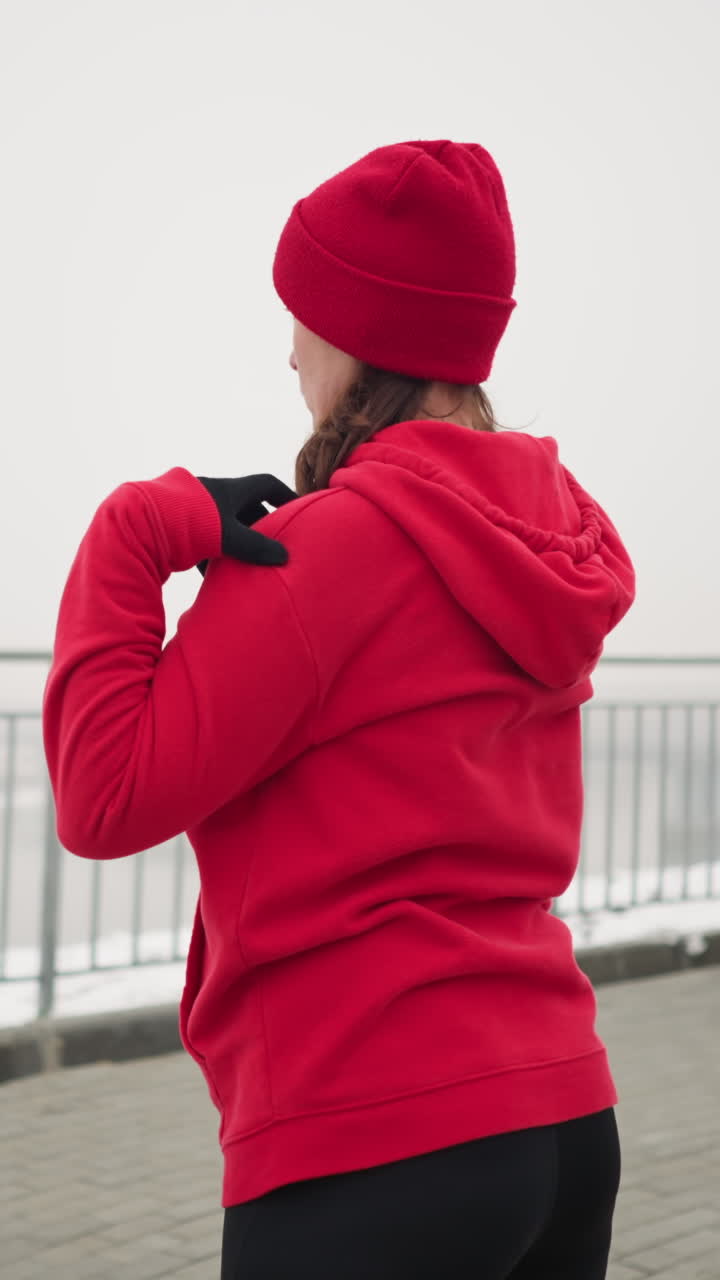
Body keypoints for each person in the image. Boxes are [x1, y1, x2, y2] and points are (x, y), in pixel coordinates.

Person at [42, 139, 635, 1279]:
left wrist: (131, 531)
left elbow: (104, 796)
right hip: (563, 1119)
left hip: (373, 1147)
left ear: (365, 337)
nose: (290, 352)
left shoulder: (331, 551)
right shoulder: (552, 541)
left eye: (305, 318)